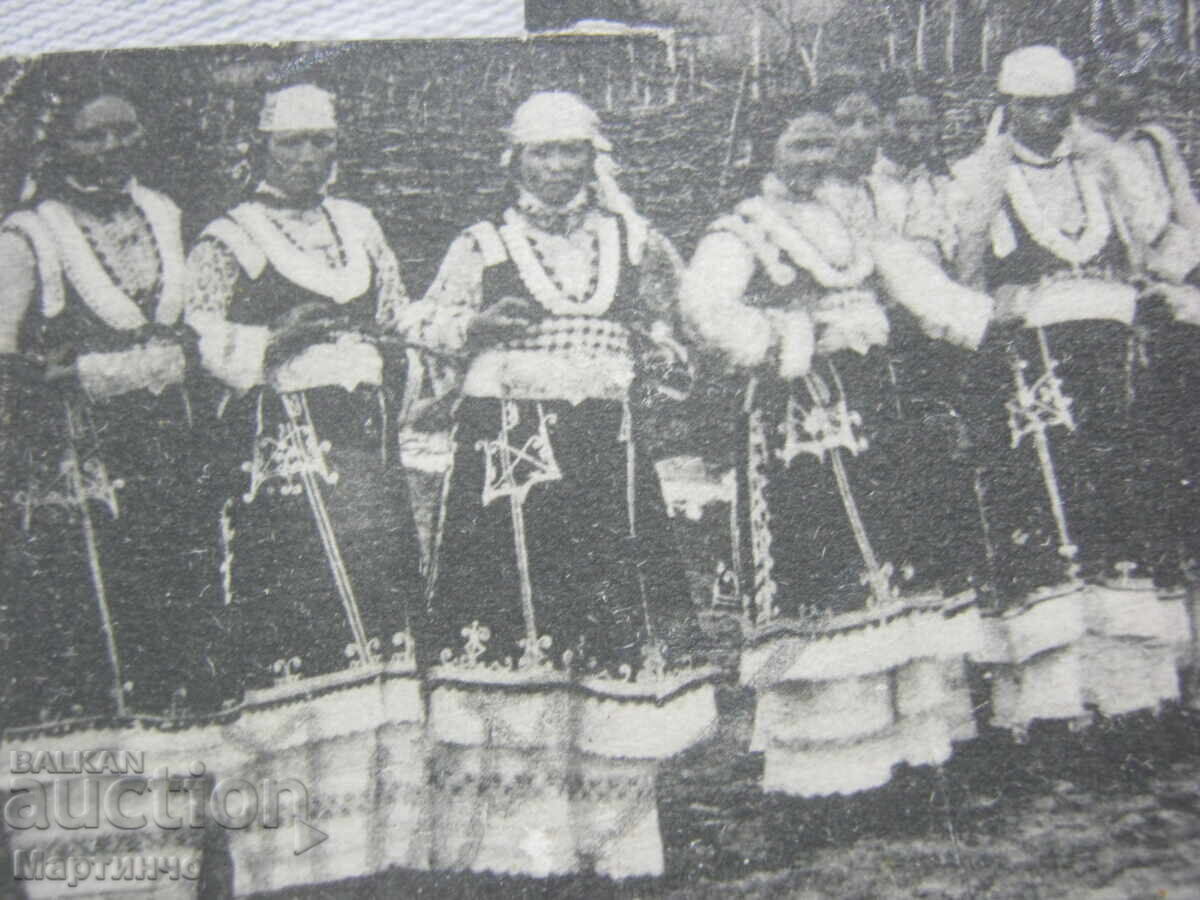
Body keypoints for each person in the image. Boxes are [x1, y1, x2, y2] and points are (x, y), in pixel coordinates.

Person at [409, 91, 714, 879]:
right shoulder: (480, 245)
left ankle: (614, 840)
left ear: (593, 158)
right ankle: (511, 849)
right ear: (514, 162)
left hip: (604, 460)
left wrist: (651, 356)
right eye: (541, 153)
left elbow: (676, 337)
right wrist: (476, 331)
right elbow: (426, 330)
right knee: (516, 619)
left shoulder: (634, 239)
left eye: (571, 152)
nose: (556, 168)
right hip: (510, 462)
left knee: (604, 619)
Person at [682, 104, 990, 798]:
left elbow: (913, 278)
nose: (817, 158)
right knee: (820, 569)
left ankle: (909, 748)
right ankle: (826, 765)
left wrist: (975, 318)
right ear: (768, 147)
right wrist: (788, 336)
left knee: (893, 563)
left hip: (871, 407)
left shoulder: (852, 218)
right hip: (798, 419)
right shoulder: (741, 228)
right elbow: (704, 309)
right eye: (801, 143)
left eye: (826, 144)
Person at [952, 46, 1179, 727]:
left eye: (1059, 104)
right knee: (1046, 520)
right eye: (1031, 105)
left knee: (1118, 514)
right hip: (1033, 375)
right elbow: (964, 276)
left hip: (1112, 368)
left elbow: (1164, 238)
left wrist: (1151, 291)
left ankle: (1130, 693)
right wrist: (1002, 305)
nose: (1047, 118)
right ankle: (1049, 700)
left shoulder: (1109, 166)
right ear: (1008, 106)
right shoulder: (976, 176)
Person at [185, 83, 423, 697]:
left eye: (322, 141)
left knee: (376, 564)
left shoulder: (359, 224)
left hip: (364, 433)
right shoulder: (230, 236)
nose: (308, 155)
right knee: (300, 578)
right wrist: (273, 339)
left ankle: (383, 721)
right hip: (284, 436)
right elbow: (201, 337)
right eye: (292, 142)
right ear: (262, 147)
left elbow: (397, 314)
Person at [0, 76, 217, 727]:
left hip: (168, 444)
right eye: (92, 135)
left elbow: (192, 324)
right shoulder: (28, 236)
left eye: (124, 130)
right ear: (58, 145)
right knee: (98, 613)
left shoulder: (163, 212)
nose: (112, 146)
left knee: (178, 596)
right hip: (83, 458)